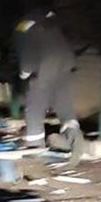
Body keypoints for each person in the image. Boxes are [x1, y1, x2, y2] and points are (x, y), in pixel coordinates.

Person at [15, 10, 85, 162]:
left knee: (34, 106)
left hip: (45, 64)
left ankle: (34, 146)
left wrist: (24, 72)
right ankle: (74, 138)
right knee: (64, 104)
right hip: (66, 63)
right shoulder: (50, 16)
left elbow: (26, 48)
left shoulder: (24, 24)